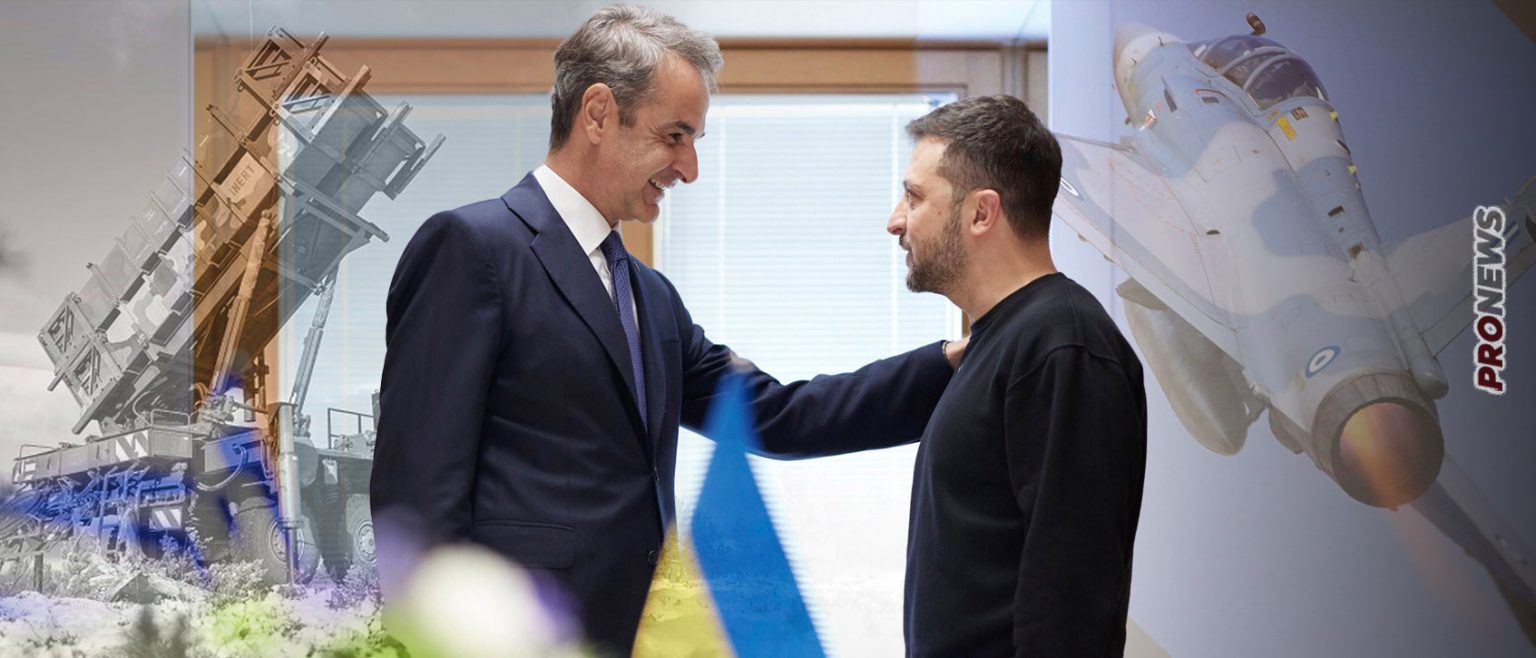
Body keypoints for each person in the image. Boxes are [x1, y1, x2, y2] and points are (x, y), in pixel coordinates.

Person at [370, 5, 965, 654]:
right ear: (598, 113)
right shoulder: (471, 248)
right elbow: (417, 499)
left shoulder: (650, 297)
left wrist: (951, 363)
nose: (689, 168)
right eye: (675, 135)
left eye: (694, 141)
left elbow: (777, 415)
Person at [888, 95, 1147, 657]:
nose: (895, 221)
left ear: (982, 213)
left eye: (914, 196)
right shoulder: (1005, 341)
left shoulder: (1063, 348)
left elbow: (1070, 598)